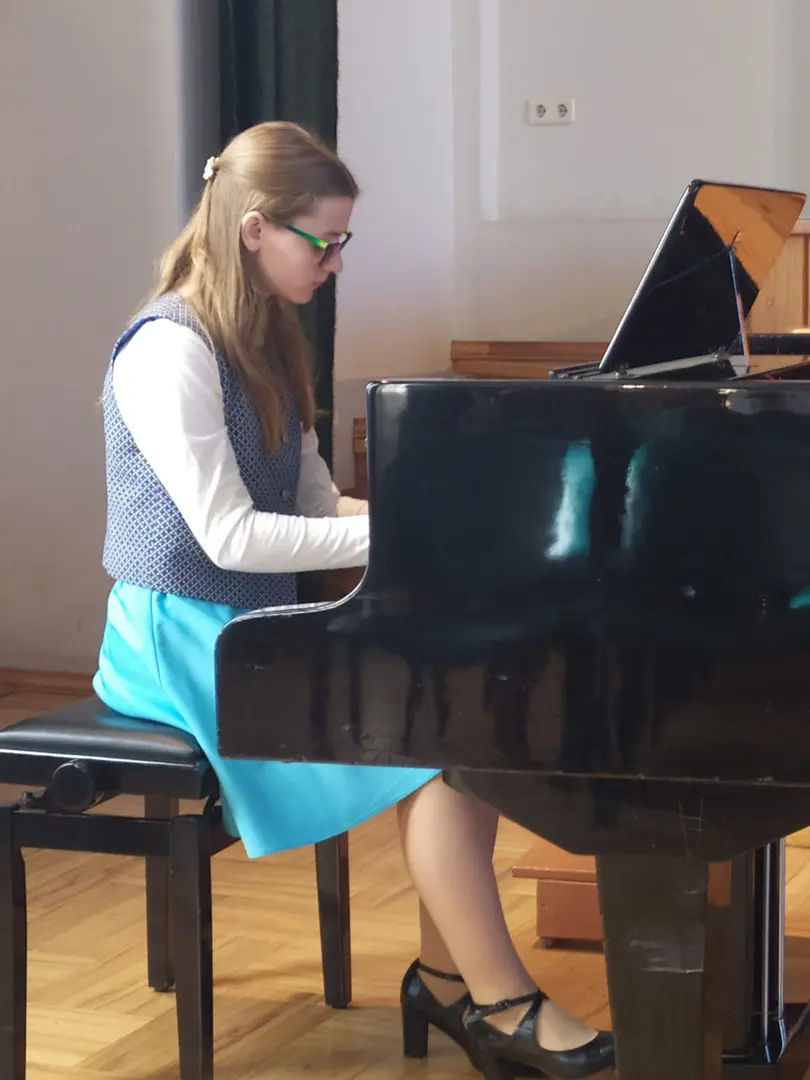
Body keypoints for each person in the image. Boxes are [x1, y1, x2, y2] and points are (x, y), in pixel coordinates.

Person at [92, 120, 613, 1080]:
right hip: (178, 631)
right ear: (254, 228)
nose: (335, 261)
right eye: (323, 241)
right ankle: (493, 1001)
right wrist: (406, 535)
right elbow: (228, 538)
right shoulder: (168, 350)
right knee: (434, 746)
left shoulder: (269, 339)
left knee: (453, 717)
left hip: (249, 621)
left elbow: (315, 507)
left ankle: (456, 985)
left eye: (343, 241)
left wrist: (438, 516)